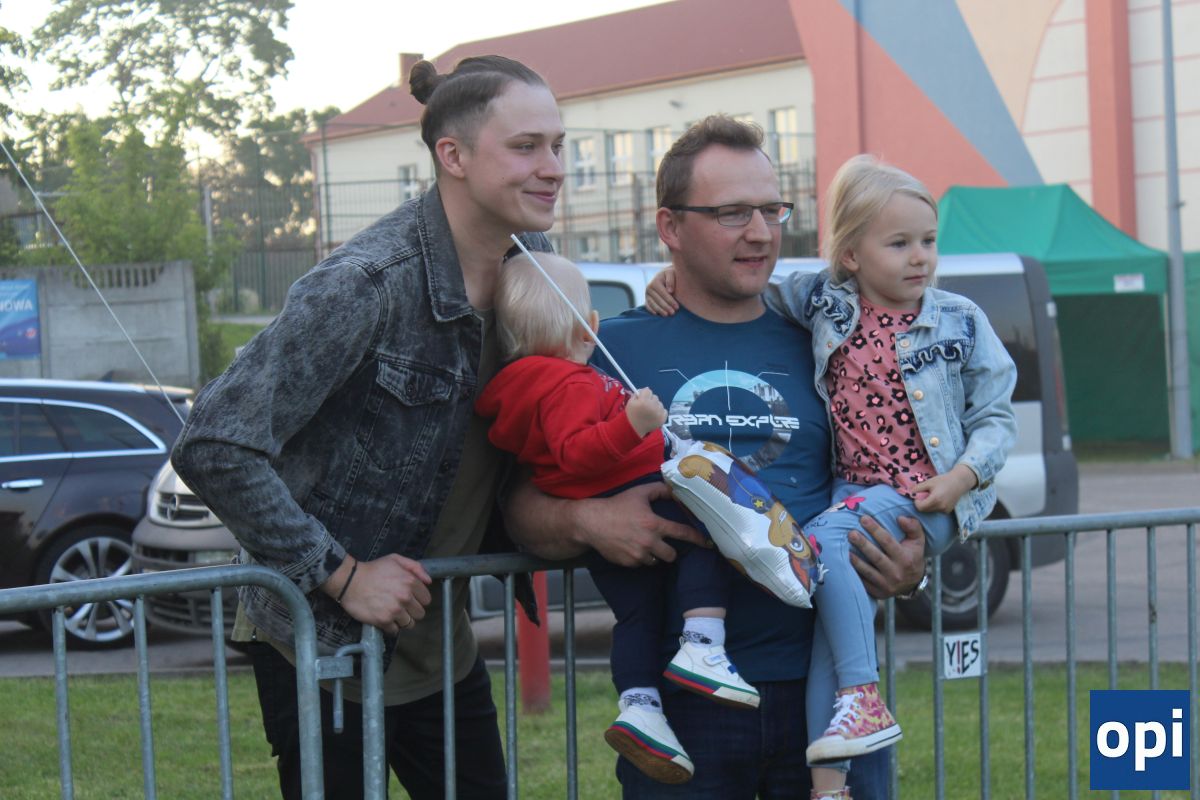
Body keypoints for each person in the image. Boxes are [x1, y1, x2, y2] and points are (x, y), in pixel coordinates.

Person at [170, 55, 570, 799]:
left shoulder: (537, 264)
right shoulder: (366, 284)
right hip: (319, 646)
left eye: (557, 144)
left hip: (442, 648)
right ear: (453, 156)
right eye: (526, 147)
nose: (553, 167)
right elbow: (214, 442)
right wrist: (342, 574)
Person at [504, 115, 926, 800]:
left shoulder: (827, 342)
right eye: (732, 213)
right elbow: (519, 506)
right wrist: (590, 522)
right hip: (682, 703)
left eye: (771, 209)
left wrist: (910, 563)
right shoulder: (605, 350)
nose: (760, 233)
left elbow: (895, 472)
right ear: (670, 227)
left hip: (830, 692)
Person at [644, 154, 1018, 798]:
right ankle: (830, 783)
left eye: (928, 241)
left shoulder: (957, 320)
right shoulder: (824, 304)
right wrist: (668, 277)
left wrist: (961, 480)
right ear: (849, 255)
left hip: (918, 493)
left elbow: (995, 416)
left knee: (816, 543)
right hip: (854, 499)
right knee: (832, 638)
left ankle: (864, 696)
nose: (920, 257)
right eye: (898, 243)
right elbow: (757, 288)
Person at [475, 252, 758, 785]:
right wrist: (634, 422)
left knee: (636, 617)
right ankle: (703, 644)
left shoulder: (529, 386)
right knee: (709, 535)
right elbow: (575, 452)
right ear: (589, 327)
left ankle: (640, 707)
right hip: (631, 495)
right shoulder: (568, 383)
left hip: (611, 521)